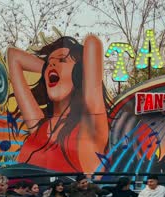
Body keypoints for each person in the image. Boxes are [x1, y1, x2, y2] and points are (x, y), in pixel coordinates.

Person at [7, 35, 111, 172]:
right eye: (49, 62)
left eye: (62, 60)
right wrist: (48, 69)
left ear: (79, 73)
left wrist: (71, 70)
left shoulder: (90, 127)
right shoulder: (38, 127)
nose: (52, 64)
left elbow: (92, 42)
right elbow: (14, 57)